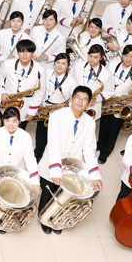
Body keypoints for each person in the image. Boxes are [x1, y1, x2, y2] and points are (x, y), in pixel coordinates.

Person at [39, 86, 101, 234]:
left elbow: (89, 150)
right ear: (71, 99)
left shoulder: (90, 122)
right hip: (52, 162)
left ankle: (56, 219)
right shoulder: (57, 116)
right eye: (78, 97)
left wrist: (95, 175)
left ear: (89, 103)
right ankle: (43, 218)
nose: (80, 101)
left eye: (85, 99)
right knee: (48, 192)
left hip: (72, 166)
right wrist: (56, 171)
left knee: (63, 196)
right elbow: (54, 145)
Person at [0, 107, 39, 234]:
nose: (10, 124)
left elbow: (30, 159)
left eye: (14, 121)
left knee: (10, 198)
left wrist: (35, 182)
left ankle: (3, 220)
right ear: (3, 120)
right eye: (7, 121)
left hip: (16, 174)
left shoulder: (25, 136)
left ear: (19, 121)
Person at [97, 45, 132, 164]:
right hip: (107, 101)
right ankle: (100, 144)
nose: (128, 59)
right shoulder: (112, 64)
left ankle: (105, 152)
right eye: (126, 55)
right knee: (104, 125)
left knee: (113, 129)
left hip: (120, 105)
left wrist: (130, 100)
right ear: (122, 55)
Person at [34, 53, 76, 159]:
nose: (60, 66)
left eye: (63, 63)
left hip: (59, 111)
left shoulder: (72, 82)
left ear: (69, 66)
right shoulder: (47, 72)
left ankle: (52, 157)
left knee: (55, 137)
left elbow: (73, 100)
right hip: (44, 109)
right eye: (57, 62)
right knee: (40, 133)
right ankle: (38, 153)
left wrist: (63, 109)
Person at [0, 40, 42, 125]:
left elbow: (40, 92)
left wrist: (32, 111)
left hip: (25, 107)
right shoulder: (7, 64)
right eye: (22, 51)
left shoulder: (40, 69)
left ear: (33, 53)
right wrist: (2, 92)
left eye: (28, 51)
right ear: (17, 52)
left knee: (21, 130)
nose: (25, 54)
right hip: (7, 104)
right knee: (4, 129)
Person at [32, 9, 66, 73]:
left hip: (48, 67)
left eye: (51, 19)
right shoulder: (35, 30)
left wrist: (48, 57)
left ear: (56, 21)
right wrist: (33, 54)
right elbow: (30, 44)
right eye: (45, 19)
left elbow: (61, 55)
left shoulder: (60, 37)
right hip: (33, 64)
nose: (48, 22)